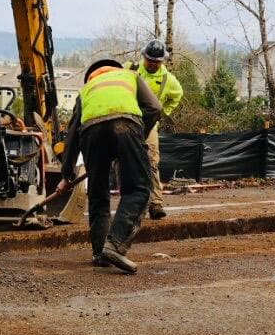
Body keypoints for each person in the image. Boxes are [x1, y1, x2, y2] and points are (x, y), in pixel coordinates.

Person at [52, 57, 162, 274]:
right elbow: (154, 108)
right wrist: (139, 136)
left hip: (91, 134)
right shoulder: (131, 76)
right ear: (115, 70)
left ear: (91, 76)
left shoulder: (86, 91)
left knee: (98, 194)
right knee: (139, 189)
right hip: (126, 125)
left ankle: (100, 252)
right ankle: (116, 244)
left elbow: (72, 136)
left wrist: (66, 174)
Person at [126, 39, 184, 219]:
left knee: (151, 162)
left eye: (156, 61)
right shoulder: (131, 69)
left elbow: (177, 96)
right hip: (127, 121)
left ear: (162, 61)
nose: (151, 63)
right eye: (149, 59)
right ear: (144, 56)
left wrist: (162, 112)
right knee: (125, 162)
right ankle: (131, 204)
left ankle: (155, 203)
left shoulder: (169, 81)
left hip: (149, 125)